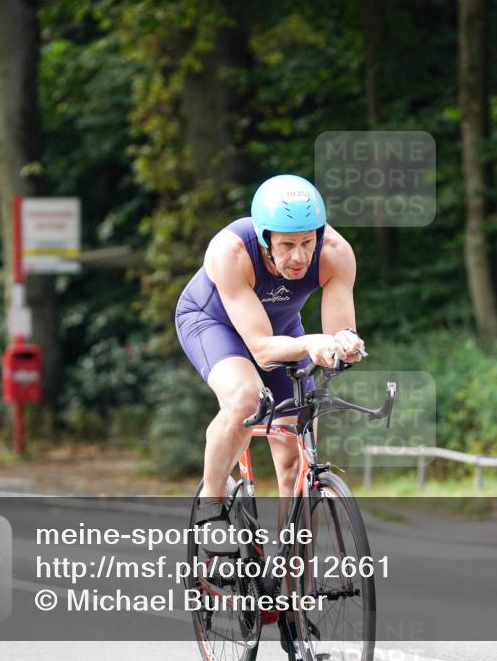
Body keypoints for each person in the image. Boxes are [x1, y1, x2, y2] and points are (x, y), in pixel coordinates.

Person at [174, 174, 363, 654]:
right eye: (286, 246)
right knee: (244, 398)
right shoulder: (230, 252)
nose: (299, 257)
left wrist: (344, 344)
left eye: (307, 243)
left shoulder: (336, 253)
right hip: (215, 324)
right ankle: (212, 508)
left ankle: (293, 605)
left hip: (285, 332)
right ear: (263, 240)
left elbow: (337, 331)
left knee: (296, 460)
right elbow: (258, 347)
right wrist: (311, 344)